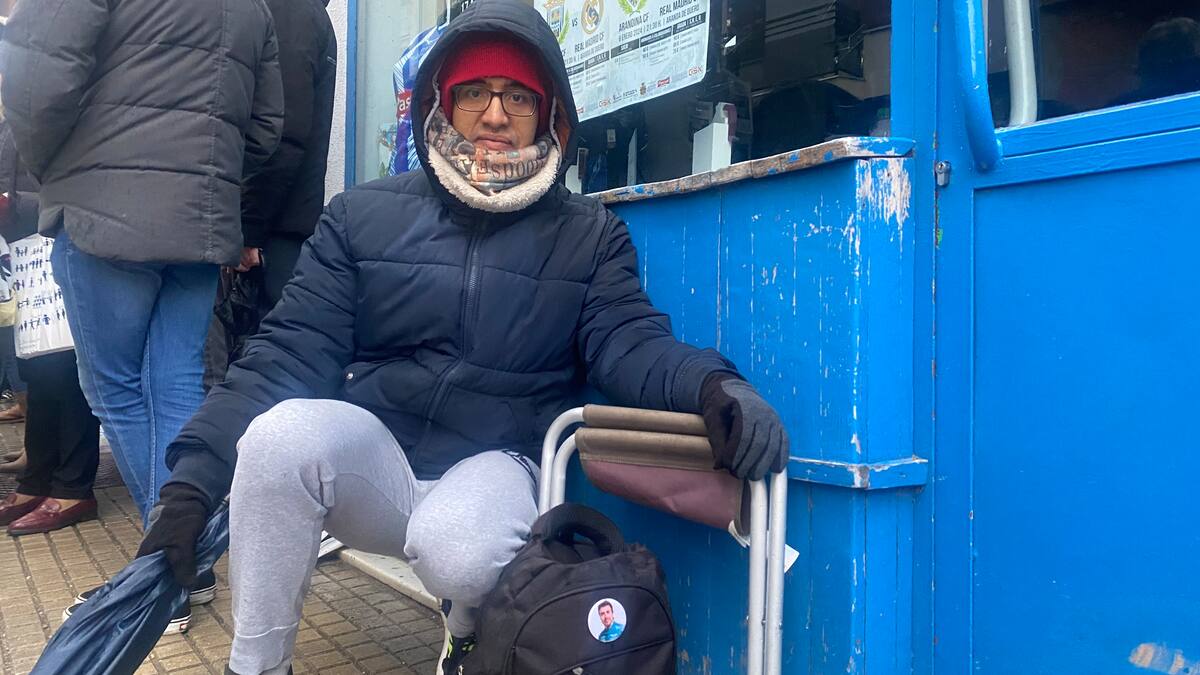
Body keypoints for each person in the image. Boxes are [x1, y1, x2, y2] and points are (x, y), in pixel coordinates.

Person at [137, 1, 789, 673]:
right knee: (277, 439)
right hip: (380, 462)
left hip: (496, 465)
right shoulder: (362, 217)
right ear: (440, 106)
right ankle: (255, 665)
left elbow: (631, 343)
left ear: (550, 111)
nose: (496, 114)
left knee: (457, 544)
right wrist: (189, 487)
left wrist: (715, 384)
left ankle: (472, 636)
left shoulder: (588, 235)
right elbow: (284, 355)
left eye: (518, 95)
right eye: (473, 91)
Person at [0, 0, 284, 635]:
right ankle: (194, 556)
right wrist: (204, 178)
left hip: (103, 211)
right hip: (199, 219)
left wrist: (59, 173)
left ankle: (168, 572)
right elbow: (266, 127)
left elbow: (34, 82)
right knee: (177, 384)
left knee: (114, 390)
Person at [205, 0, 337, 387]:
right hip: (278, 222)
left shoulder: (290, 13)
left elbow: (285, 134)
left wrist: (248, 230)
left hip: (272, 229)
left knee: (261, 370)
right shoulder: (303, 14)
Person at [0, 108, 102, 535]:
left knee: (68, 358)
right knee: (38, 364)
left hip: (62, 231)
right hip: (24, 241)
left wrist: (13, 204)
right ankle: (38, 477)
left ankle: (74, 486)